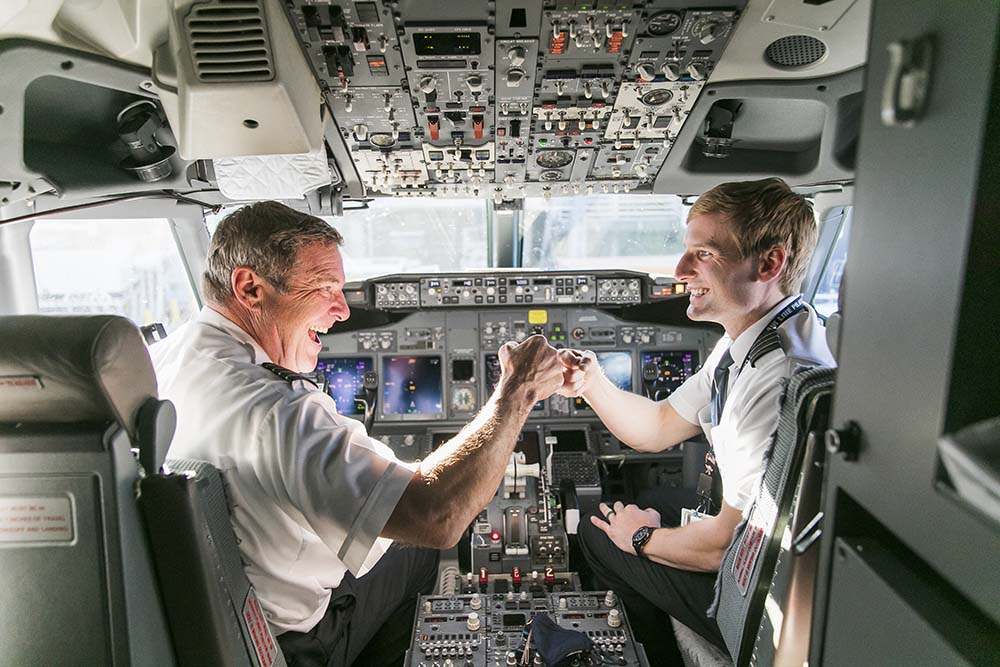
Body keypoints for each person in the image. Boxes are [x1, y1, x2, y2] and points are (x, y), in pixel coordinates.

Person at [151, 201, 573, 667]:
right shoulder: (276, 410)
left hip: (215, 620)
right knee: (422, 550)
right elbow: (437, 515)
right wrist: (516, 392)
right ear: (250, 288)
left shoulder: (165, 358)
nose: (343, 310)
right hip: (287, 643)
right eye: (326, 289)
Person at [563, 178, 836, 663]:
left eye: (704, 254)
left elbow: (723, 546)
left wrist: (640, 538)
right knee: (644, 498)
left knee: (597, 530)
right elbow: (660, 425)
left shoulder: (773, 383)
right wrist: (591, 384)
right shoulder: (758, 339)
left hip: (750, 588)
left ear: (769, 263)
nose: (680, 269)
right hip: (761, 546)